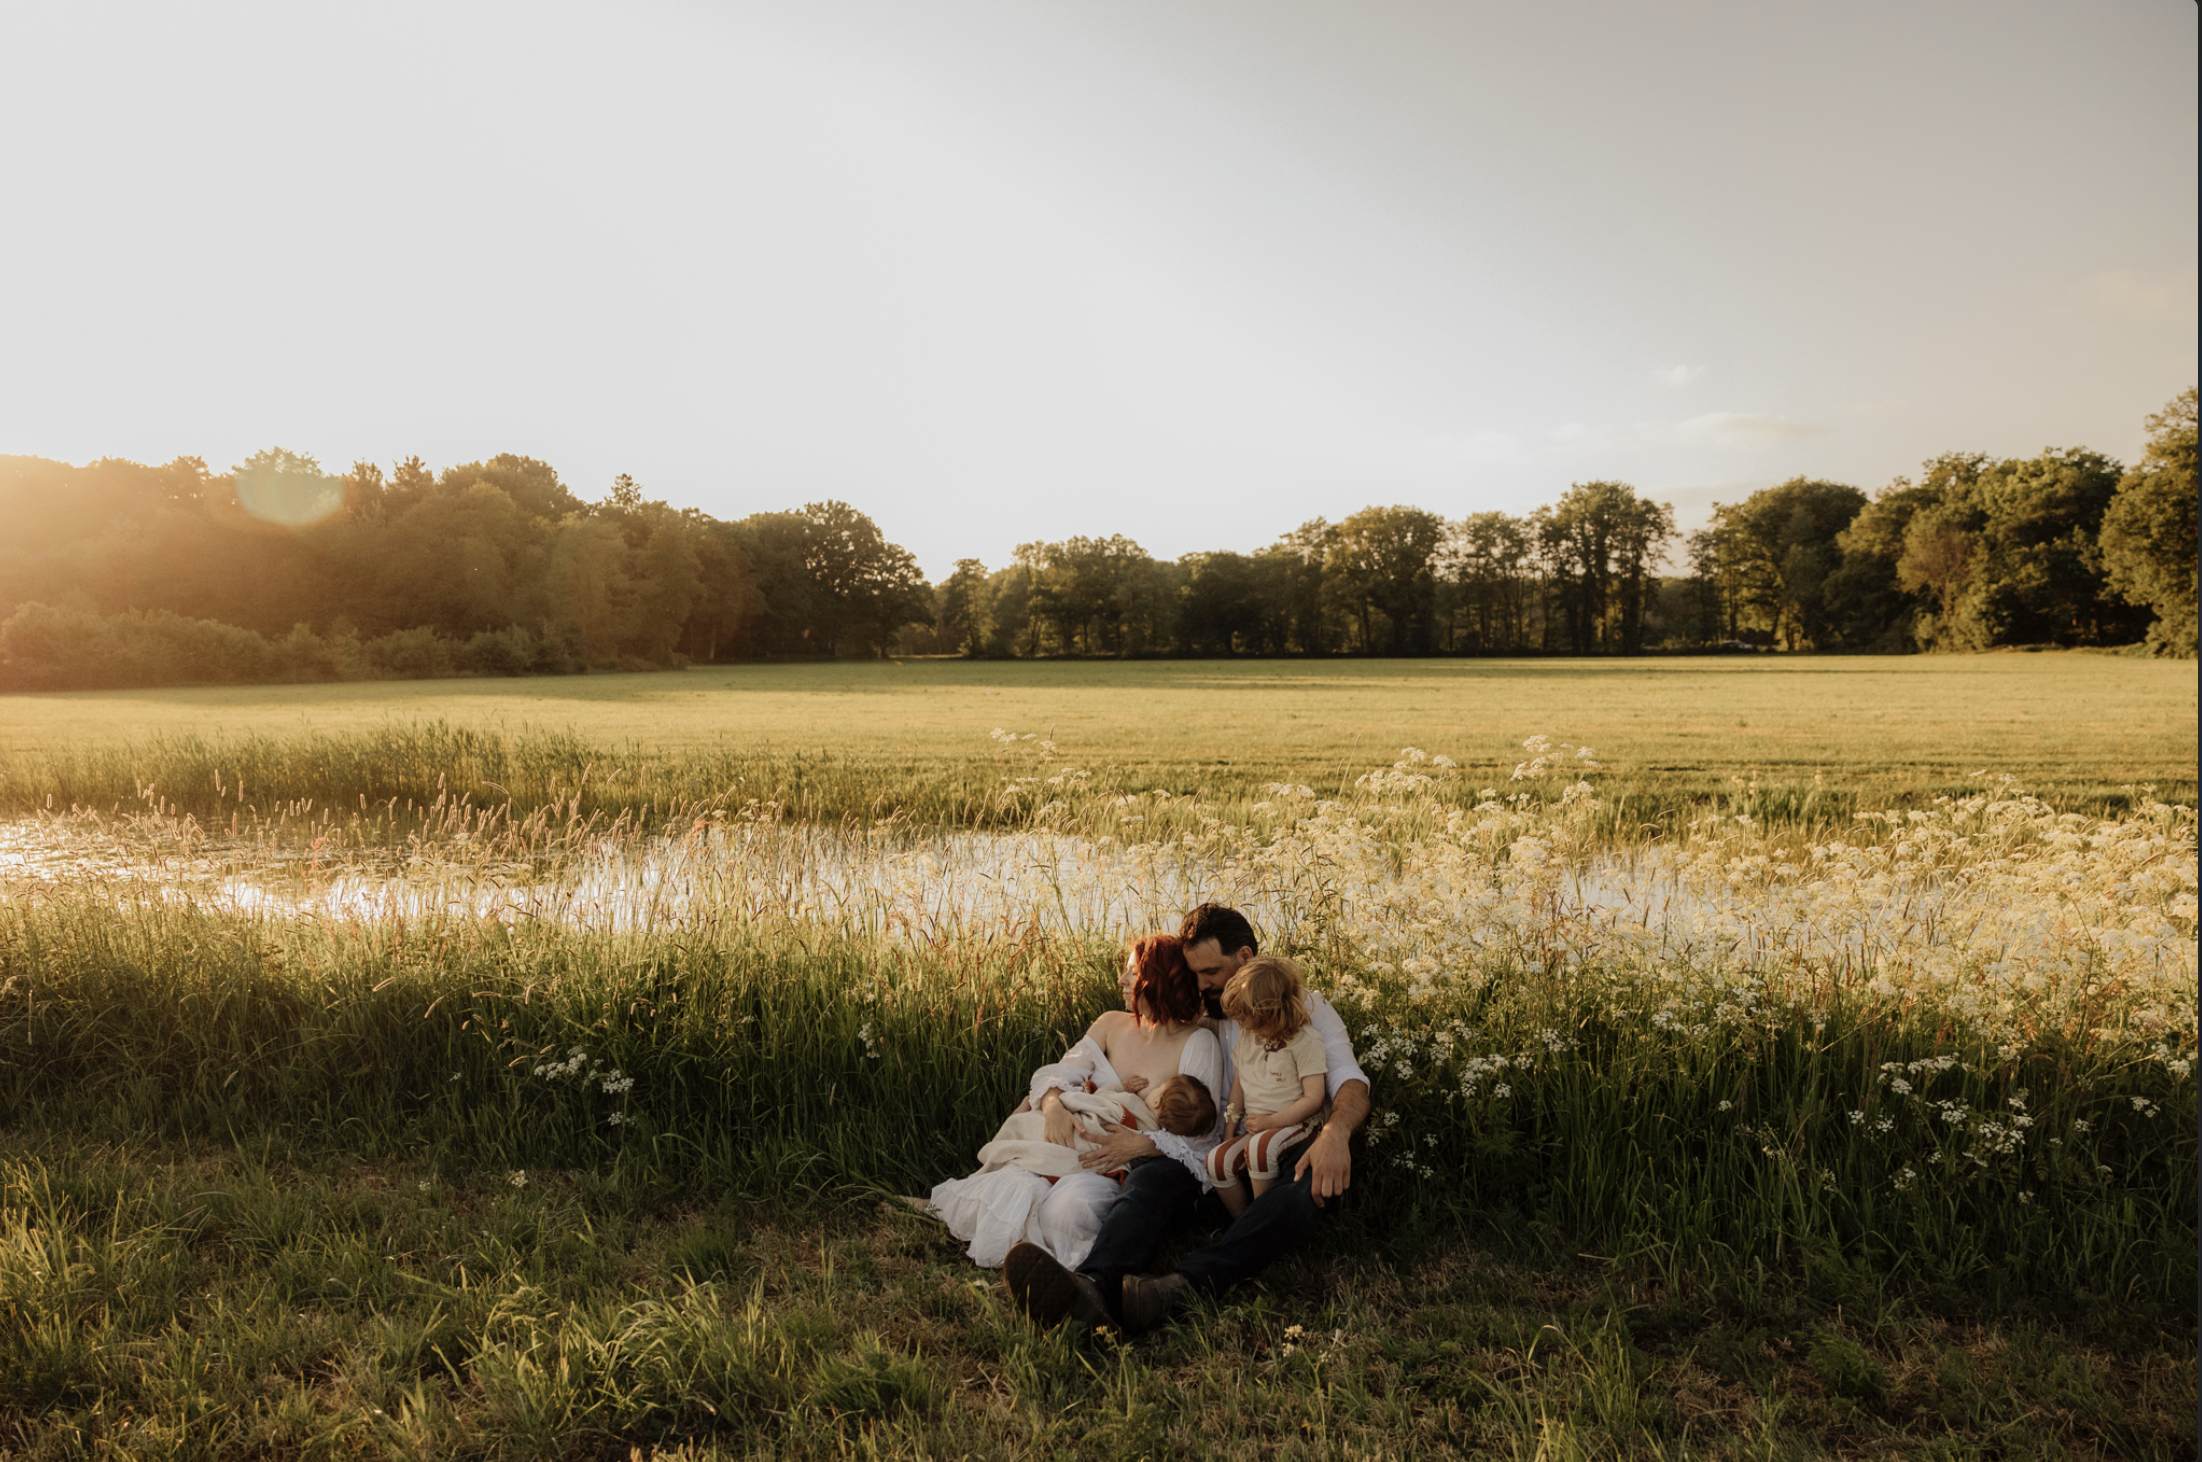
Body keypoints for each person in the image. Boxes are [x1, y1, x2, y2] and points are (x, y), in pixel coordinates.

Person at [1003, 903, 1371, 1336]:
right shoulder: (1205, 1008)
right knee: (1151, 1180)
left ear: (1244, 958)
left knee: (1302, 1186)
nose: (1201, 985)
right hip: (1211, 1150)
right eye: (1193, 974)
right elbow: (1141, 1028)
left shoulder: (1301, 1008)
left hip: (1284, 1139)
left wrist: (1336, 1132)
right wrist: (1056, 1099)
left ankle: (1184, 1285)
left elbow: (1350, 1082)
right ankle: (1092, 1286)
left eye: (1209, 972)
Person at [921, 933, 1221, 1270]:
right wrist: (1053, 1108)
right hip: (1065, 1141)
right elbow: (1057, 1073)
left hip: (1113, 1166)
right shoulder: (1110, 1024)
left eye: (1132, 973)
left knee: (1072, 1206)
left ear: (1160, 980)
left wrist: (1140, 1144)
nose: (1122, 980)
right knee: (1013, 1185)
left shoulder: (1198, 1043)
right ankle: (949, 1210)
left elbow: (1203, 1136)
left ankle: (1052, 1265)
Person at [1205, 957, 1327, 1219]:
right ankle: (1244, 1222)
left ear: (1278, 1010)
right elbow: (1238, 1092)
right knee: (1217, 1160)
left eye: (1255, 1021)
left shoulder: (1305, 1041)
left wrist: (1272, 1121)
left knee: (1260, 1149)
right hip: (1261, 1128)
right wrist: (1229, 1130)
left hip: (1298, 1125)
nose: (1248, 1027)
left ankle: (1266, 1224)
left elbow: (1314, 1099)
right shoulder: (1250, 1036)